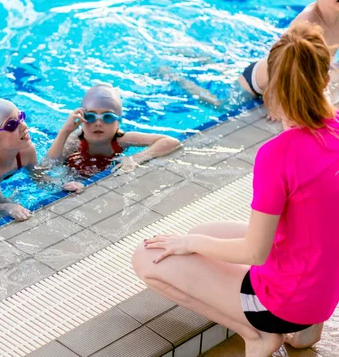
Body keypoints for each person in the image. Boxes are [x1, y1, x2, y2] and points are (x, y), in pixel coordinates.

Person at [133, 23, 339, 357]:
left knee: (149, 257)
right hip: (326, 294)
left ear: (273, 87)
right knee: (208, 231)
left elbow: (254, 254)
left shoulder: (278, 155)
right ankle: (304, 335)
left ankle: (257, 334)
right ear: (326, 79)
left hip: (282, 304)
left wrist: (189, 243)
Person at [238, 0, 339, 101]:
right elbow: (283, 69)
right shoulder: (308, 23)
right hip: (261, 83)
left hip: (297, 73)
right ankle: (193, 86)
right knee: (217, 104)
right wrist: (276, 101)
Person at [47, 83, 181, 178]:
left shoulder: (122, 138)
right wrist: (65, 132)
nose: (98, 123)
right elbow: (45, 167)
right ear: (82, 118)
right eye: (90, 116)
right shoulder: (75, 141)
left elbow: (171, 141)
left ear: (118, 121)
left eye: (108, 117)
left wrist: (136, 158)